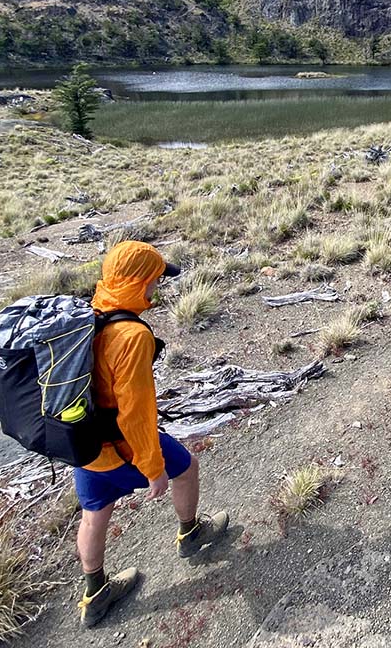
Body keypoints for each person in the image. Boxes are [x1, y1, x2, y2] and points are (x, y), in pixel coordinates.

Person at [74, 240, 229, 627]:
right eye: (155, 280)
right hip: (123, 444)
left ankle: (94, 594)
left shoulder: (91, 314)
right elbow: (136, 413)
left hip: (85, 445)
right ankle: (191, 533)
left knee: (94, 514)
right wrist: (152, 467)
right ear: (140, 281)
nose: (156, 288)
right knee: (187, 467)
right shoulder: (132, 336)